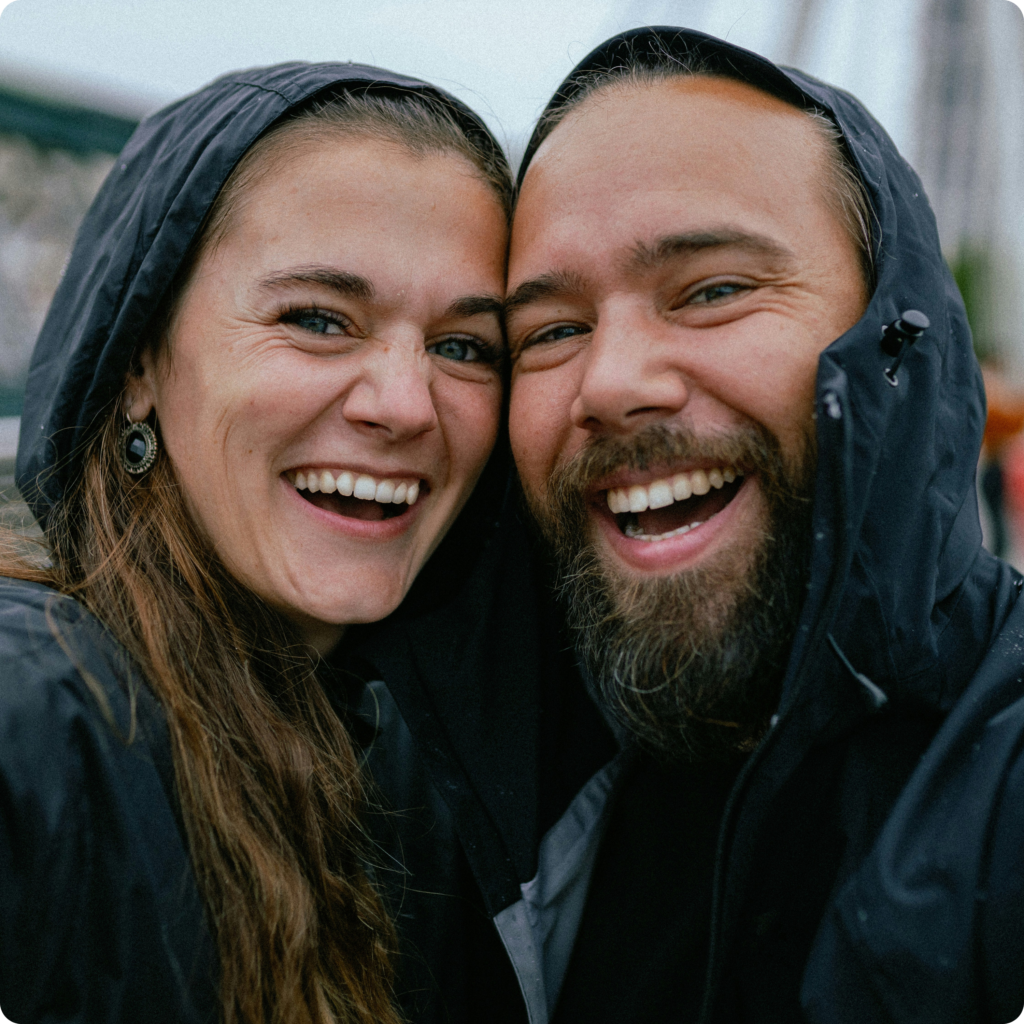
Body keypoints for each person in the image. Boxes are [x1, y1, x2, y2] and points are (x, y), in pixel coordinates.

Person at [500, 26, 1024, 1024]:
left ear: (891, 334)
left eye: (713, 290)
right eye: (552, 331)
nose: (610, 383)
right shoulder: (491, 778)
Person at [0, 61, 513, 1024]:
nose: (406, 405)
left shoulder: (428, 774)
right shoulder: (34, 724)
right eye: (317, 320)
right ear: (140, 358)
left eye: (464, 347)